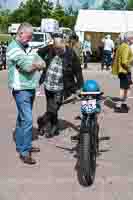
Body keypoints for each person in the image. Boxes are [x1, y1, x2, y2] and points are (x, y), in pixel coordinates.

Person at [7, 22, 46, 165]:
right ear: (21, 33)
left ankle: (23, 145)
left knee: (22, 118)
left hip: (30, 87)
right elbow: (28, 67)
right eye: (28, 37)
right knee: (28, 120)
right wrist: (35, 64)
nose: (30, 39)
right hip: (20, 89)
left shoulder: (28, 47)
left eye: (31, 37)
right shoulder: (13, 48)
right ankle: (24, 152)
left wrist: (36, 63)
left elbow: (41, 62)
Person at [37, 33, 84, 138]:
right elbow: (38, 53)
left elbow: (78, 71)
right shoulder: (50, 48)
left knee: (54, 108)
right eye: (55, 48)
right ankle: (54, 128)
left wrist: (79, 87)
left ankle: (42, 121)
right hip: (48, 85)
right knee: (51, 107)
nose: (57, 51)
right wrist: (40, 63)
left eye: (59, 49)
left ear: (64, 44)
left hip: (62, 87)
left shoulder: (71, 54)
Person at [112, 32, 133, 113]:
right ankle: (120, 105)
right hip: (125, 71)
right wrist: (128, 68)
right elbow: (124, 61)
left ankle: (121, 105)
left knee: (125, 88)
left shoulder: (121, 46)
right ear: (130, 39)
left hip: (122, 71)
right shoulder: (126, 47)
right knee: (126, 89)